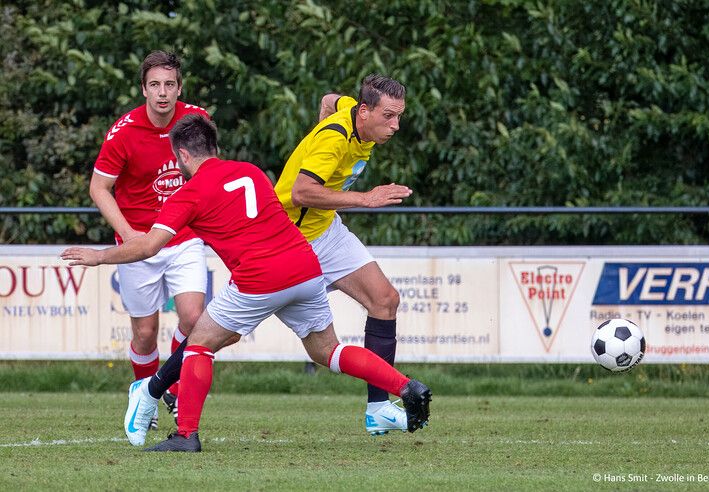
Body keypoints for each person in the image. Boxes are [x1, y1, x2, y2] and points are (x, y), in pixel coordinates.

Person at [61, 114, 432, 452]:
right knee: (328, 351)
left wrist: (98, 256)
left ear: (183, 155)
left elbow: (147, 246)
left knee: (199, 342)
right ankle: (405, 386)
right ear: (215, 149)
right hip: (305, 267)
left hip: (259, 277)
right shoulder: (251, 171)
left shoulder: (187, 194)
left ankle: (185, 434)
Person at [273, 74, 412, 435]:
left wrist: (317, 126)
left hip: (326, 231)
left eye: (399, 116)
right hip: (288, 242)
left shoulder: (353, 110)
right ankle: (153, 387)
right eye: (389, 116)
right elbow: (303, 192)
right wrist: (366, 198)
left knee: (385, 300)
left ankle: (379, 409)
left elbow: (329, 98)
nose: (395, 125)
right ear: (366, 111)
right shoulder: (334, 140)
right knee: (226, 333)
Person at [90, 50, 213, 427]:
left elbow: (211, 174)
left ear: (180, 88)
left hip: (183, 237)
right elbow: (99, 188)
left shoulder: (197, 121)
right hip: (140, 241)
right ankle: (144, 397)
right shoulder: (123, 132)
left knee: (194, 319)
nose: (163, 92)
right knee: (144, 335)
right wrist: (128, 235)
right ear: (143, 89)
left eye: (169, 85)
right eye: (155, 85)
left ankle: (171, 391)